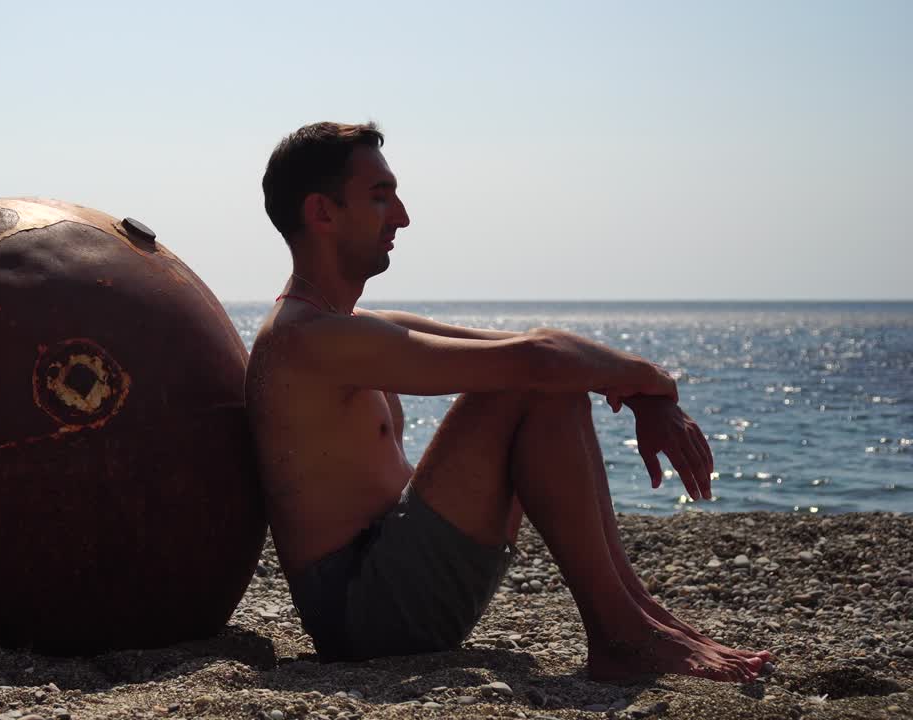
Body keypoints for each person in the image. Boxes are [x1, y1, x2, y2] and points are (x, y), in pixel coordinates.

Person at [245, 121, 773, 683]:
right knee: (532, 385)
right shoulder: (306, 340)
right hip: (364, 611)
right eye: (380, 197)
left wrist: (643, 394)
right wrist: (655, 384)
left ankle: (639, 617)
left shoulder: (351, 329)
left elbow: (538, 345)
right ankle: (623, 633)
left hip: (394, 582)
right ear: (322, 213)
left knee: (549, 383)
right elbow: (536, 360)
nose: (401, 217)